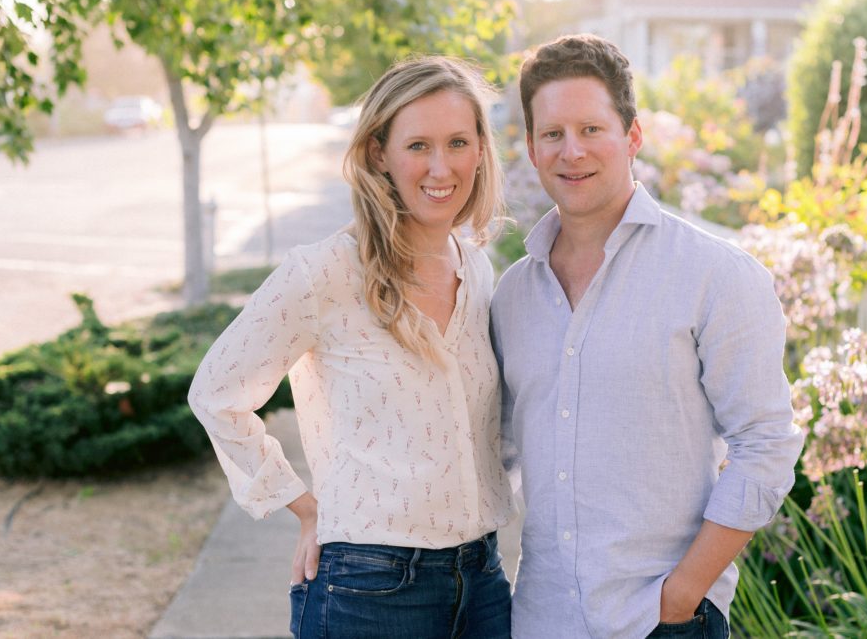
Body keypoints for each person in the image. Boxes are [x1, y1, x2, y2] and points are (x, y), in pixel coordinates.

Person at [189, 56, 515, 639]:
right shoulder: (323, 273)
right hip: (370, 588)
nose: (442, 167)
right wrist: (304, 506)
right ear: (377, 154)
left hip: (484, 581)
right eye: (418, 145)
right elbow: (217, 393)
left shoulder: (479, 268)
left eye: (459, 142)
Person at [490, 34, 805, 638]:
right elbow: (497, 452)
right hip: (541, 618)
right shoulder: (514, 295)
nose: (571, 151)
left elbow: (765, 444)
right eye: (552, 134)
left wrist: (682, 595)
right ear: (531, 148)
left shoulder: (714, 275)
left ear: (632, 137)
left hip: (662, 623)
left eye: (591, 129)